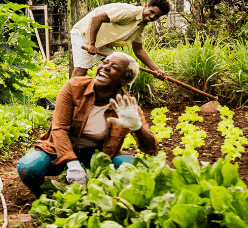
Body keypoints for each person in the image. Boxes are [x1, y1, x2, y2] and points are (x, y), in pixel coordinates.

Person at [17, 51, 158, 197]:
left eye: (114, 67)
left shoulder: (126, 106)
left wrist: (137, 127)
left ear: (124, 79)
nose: (105, 67)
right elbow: (59, 129)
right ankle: (48, 199)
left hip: (100, 156)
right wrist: (72, 163)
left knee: (134, 169)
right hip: (58, 149)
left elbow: (151, 149)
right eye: (104, 62)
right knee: (28, 167)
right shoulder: (74, 87)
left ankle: (105, 195)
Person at [70, 0, 170, 79]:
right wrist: (91, 44)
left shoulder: (141, 25)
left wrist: (156, 69)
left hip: (102, 41)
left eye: (156, 16)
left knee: (120, 66)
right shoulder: (129, 12)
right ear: (146, 6)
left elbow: (138, 49)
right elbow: (97, 18)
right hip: (84, 33)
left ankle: (103, 96)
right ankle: (67, 101)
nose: (152, 17)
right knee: (80, 72)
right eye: (151, 12)